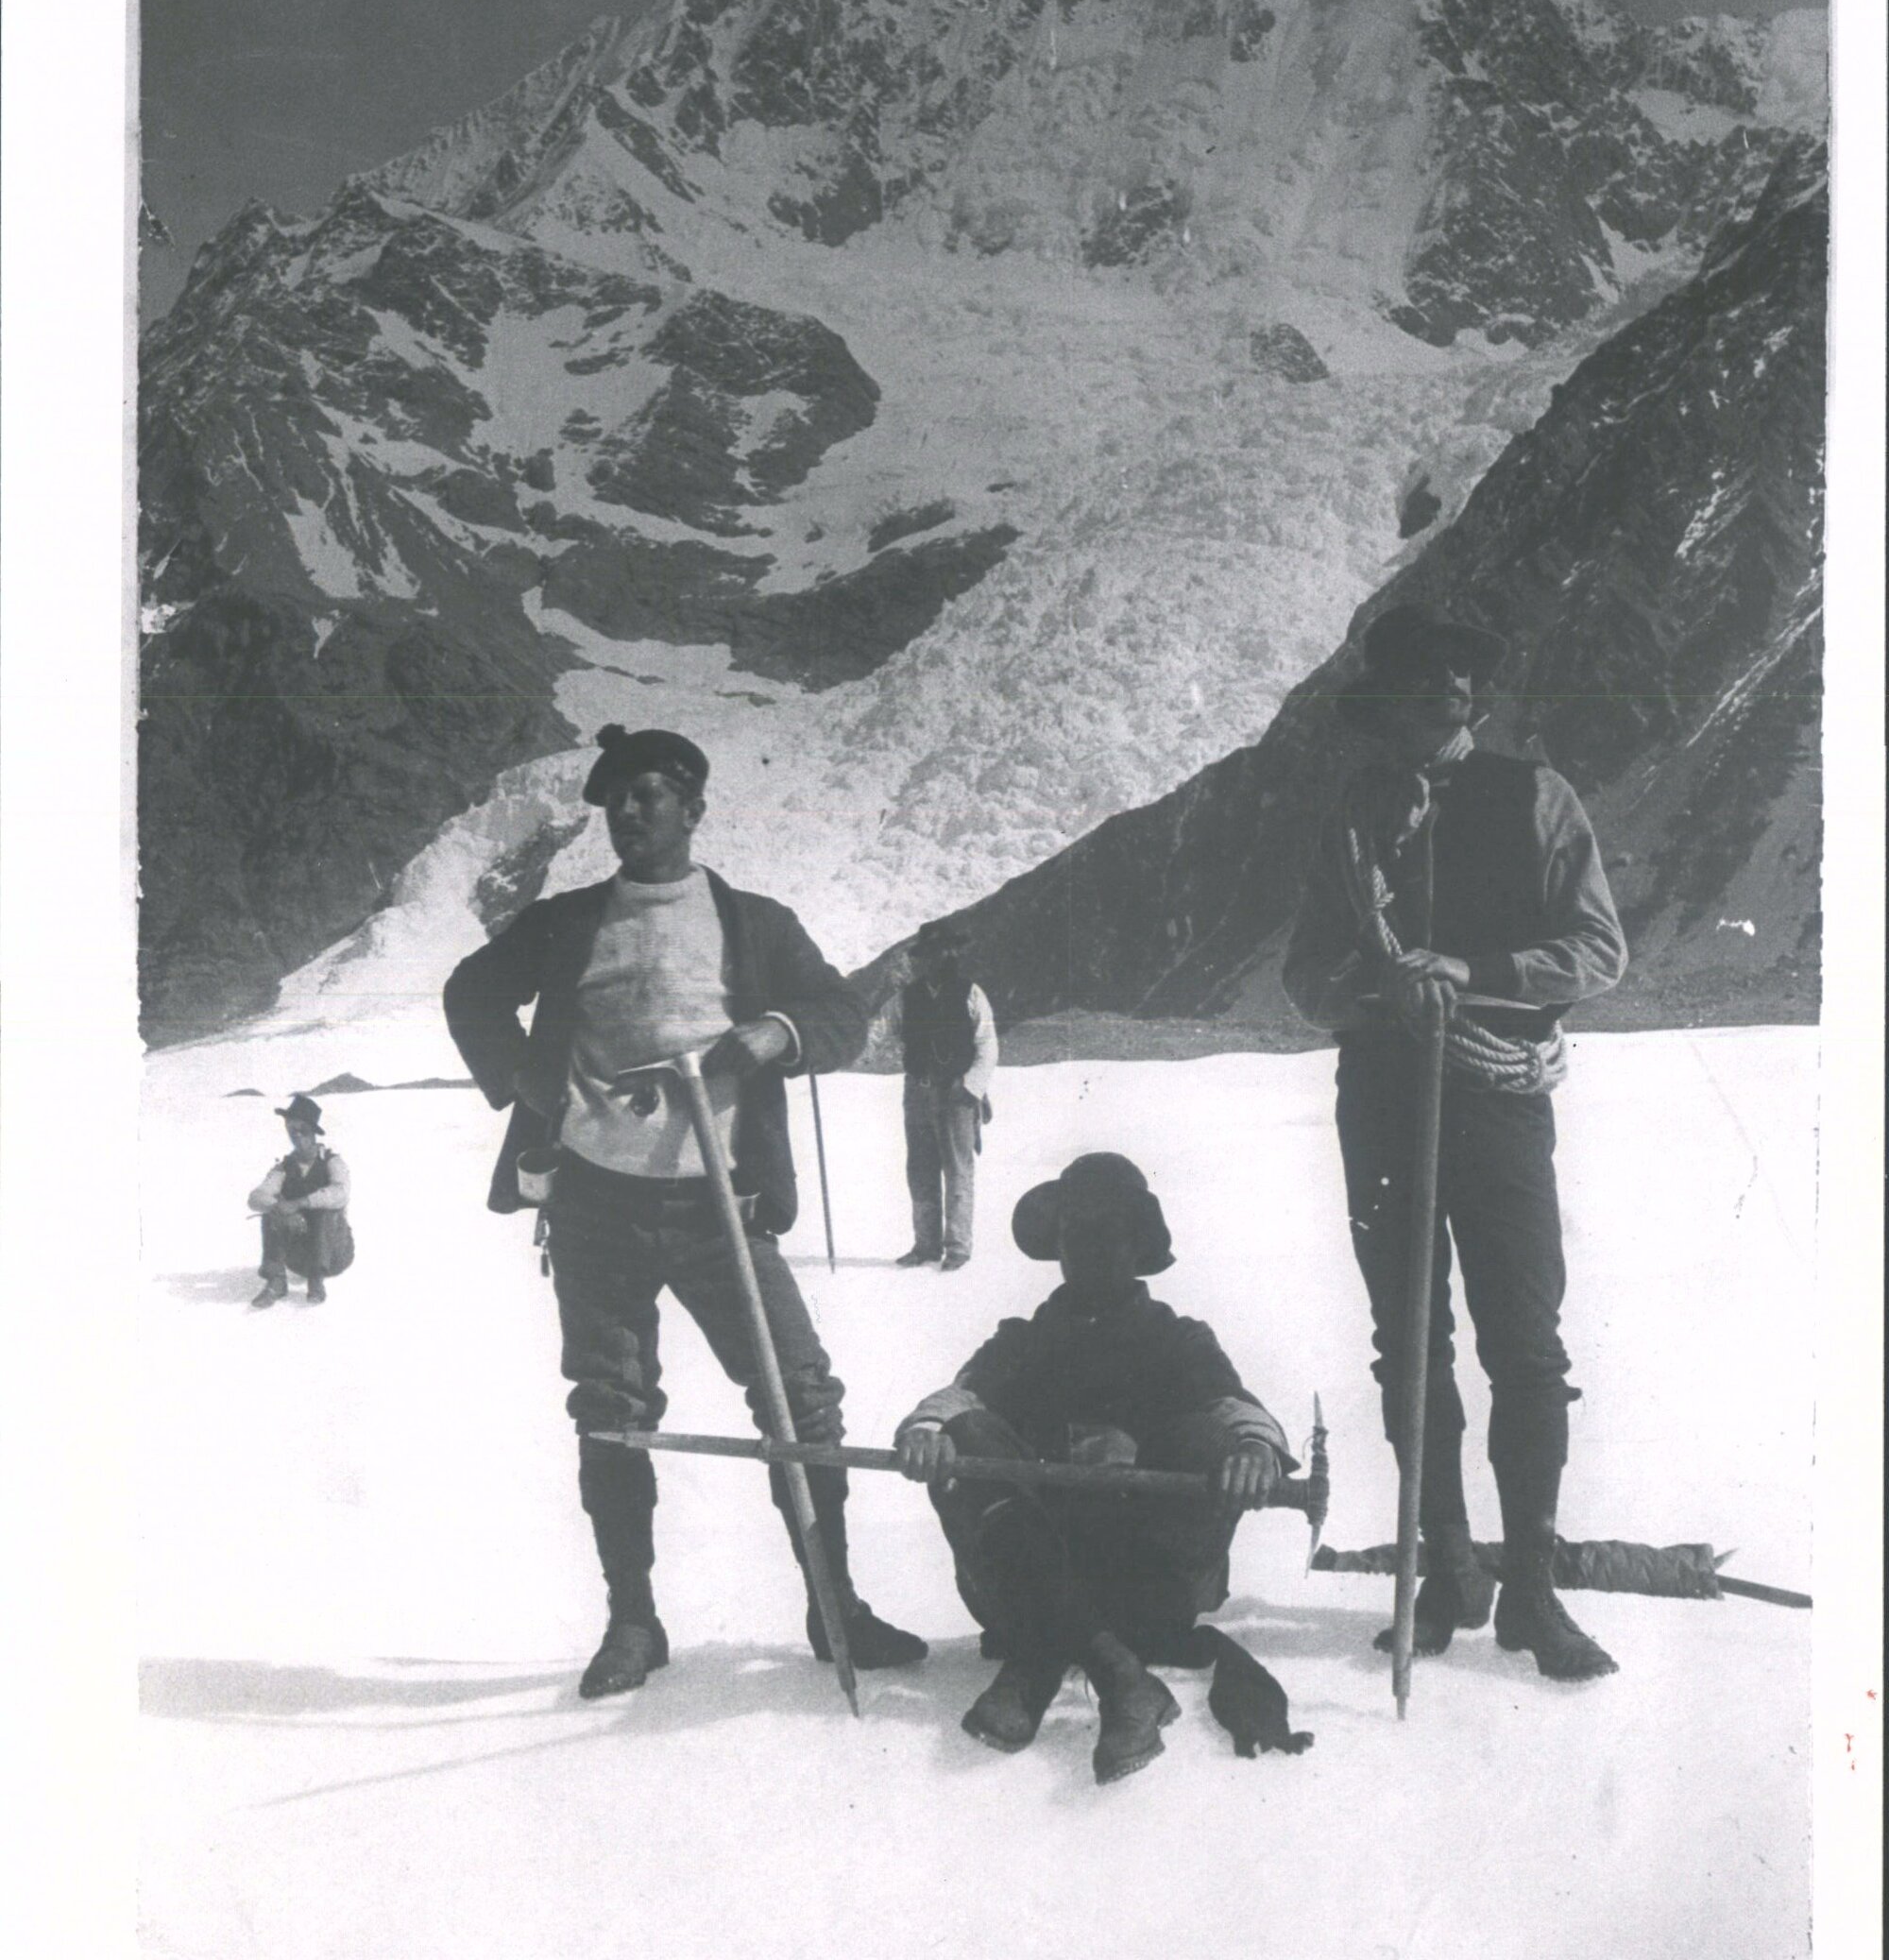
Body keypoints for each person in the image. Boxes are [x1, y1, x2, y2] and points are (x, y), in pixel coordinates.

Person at [443, 725, 926, 1701]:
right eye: (616, 798)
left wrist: (772, 1035)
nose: (629, 812)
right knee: (612, 1412)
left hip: (720, 1206)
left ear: (693, 810)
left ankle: (834, 1605)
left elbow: (837, 1015)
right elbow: (470, 994)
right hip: (593, 1207)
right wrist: (538, 1095)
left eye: (650, 795)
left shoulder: (754, 924)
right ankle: (633, 1622)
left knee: (800, 1398)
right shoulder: (569, 922)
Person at [1282, 601, 1628, 1681]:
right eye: (1420, 677)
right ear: (1386, 701)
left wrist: (1471, 974)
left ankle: (1527, 1591)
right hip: (1380, 1094)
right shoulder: (1352, 812)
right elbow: (1303, 973)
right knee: (1406, 1339)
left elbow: (1596, 951)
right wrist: (1365, 985)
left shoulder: (1534, 795)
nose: (1441, 692)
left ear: (1474, 697)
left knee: (1523, 1346)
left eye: (1458, 677)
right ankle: (1447, 1568)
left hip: (1494, 1094)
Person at [893, 1152, 1303, 1782]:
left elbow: (1237, 1408)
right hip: (1028, 1573)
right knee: (967, 1433)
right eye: (1072, 1233)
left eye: (1106, 1231)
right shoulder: (1024, 1340)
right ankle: (1119, 1671)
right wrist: (926, 1430)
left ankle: (1043, 1657)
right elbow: (959, 1397)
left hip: (1149, 1584)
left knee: (1208, 1434)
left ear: (1138, 1243)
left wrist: (1255, 1452)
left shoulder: (1178, 1339)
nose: (1086, 1249)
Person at [889, 921, 998, 1270]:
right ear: (924, 958)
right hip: (918, 1093)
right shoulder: (905, 998)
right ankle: (925, 1246)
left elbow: (988, 1045)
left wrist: (971, 1087)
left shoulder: (971, 993)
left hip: (957, 1094)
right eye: (935, 952)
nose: (943, 957)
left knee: (957, 1171)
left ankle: (958, 1248)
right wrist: (833, 1051)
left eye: (949, 950)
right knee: (920, 1170)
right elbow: (877, 1032)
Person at [248, 1095, 352, 1307]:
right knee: (273, 1210)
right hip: (298, 1259)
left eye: (302, 1130)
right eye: (292, 1130)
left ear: (313, 1132)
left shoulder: (332, 1162)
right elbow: (256, 1197)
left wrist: (300, 1203)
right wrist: (280, 1207)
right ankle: (276, 1281)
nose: (297, 1136)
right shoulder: (284, 1168)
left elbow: (340, 1192)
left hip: (334, 1255)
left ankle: (316, 1282)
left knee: (325, 1208)